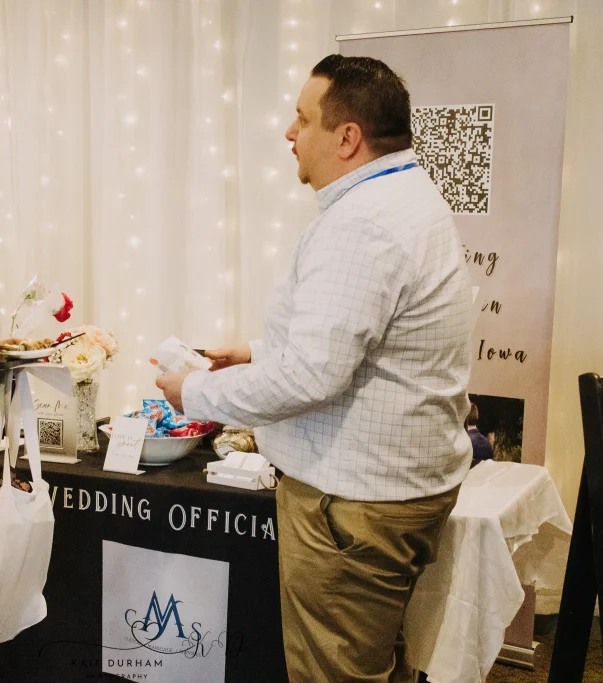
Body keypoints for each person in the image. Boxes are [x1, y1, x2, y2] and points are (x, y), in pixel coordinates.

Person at [156, 55, 474, 682]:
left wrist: (193, 391)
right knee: (379, 663)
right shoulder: (406, 194)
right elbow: (368, 337)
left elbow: (312, 376)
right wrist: (255, 350)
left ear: (347, 136)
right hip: (400, 487)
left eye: (302, 118)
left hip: (352, 506)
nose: (288, 132)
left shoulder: (362, 222)